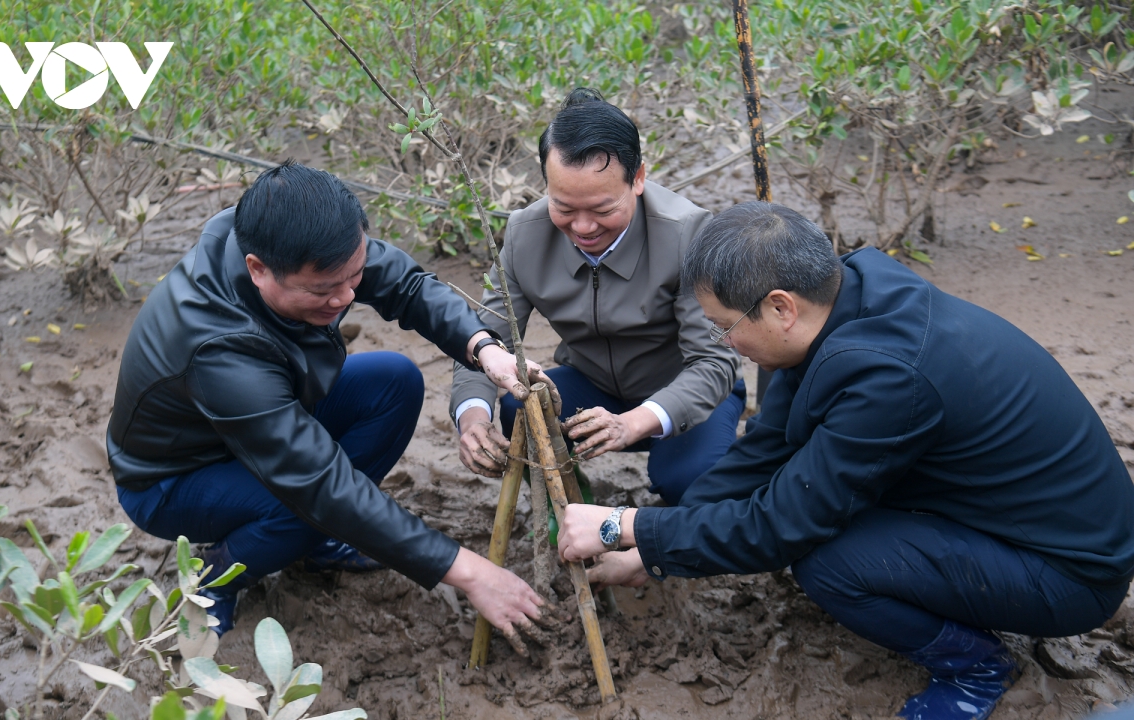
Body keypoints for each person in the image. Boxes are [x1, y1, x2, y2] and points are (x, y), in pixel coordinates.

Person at [557, 202, 1134, 720]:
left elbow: (781, 525)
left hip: (1069, 572)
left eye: (725, 327)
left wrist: (621, 524)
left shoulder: (889, 375)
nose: (725, 343)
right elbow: (765, 449)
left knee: (829, 559)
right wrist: (656, 551)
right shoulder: (845, 298)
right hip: (1001, 518)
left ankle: (975, 666)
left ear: (781, 307)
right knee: (815, 501)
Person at [108, 160, 559, 645]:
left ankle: (311, 543)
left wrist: (484, 350)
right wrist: (470, 572)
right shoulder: (216, 348)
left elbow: (407, 286)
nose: (347, 296)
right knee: (303, 505)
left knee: (394, 381)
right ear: (257, 269)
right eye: (324, 290)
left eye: (355, 276)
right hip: (173, 478)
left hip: (262, 423)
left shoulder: (295, 238)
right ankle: (215, 574)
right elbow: (321, 485)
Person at [450, 88, 743, 506]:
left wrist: (631, 424)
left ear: (638, 179)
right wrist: (473, 418)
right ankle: (567, 507)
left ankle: (661, 536)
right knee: (523, 415)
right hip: (591, 387)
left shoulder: (686, 233)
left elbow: (714, 363)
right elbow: (482, 339)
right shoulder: (523, 234)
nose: (583, 227)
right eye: (564, 207)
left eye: (603, 210)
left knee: (691, 480)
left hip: (684, 390)